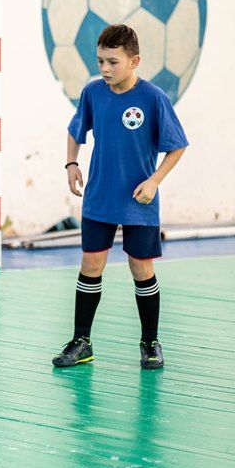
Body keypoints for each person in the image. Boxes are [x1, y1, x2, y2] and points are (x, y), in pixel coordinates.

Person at [52, 24, 188, 370]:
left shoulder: (153, 98)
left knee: (141, 269)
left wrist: (154, 181)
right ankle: (81, 342)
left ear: (134, 61)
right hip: (99, 197)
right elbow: (75, 131)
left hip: (138, 201)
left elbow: (177, 146)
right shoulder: (93, 92)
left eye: (113, 62)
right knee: (90, 266)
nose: (105, 69)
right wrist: (71, 163)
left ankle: (150, 343)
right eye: (100, 61)